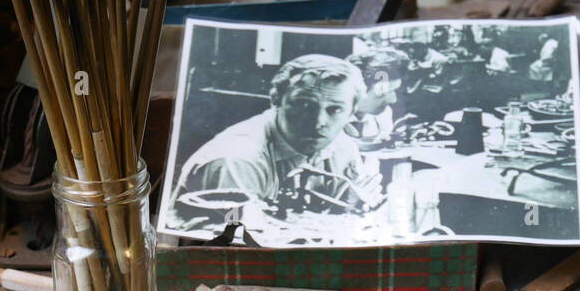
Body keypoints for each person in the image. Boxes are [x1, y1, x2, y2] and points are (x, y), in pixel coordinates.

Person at [168, 54, 383, 219]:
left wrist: (355, 204)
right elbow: (239, 244)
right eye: (305, 105)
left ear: (351, 112)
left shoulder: (343, 147)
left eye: (335, 110)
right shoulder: (235, 160)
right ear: (276, 99)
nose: (319, 122)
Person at [345, 44, 410, 145]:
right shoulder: (326, 120)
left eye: (394, 91)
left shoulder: (384, 114)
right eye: (383, 93)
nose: (393, 100)